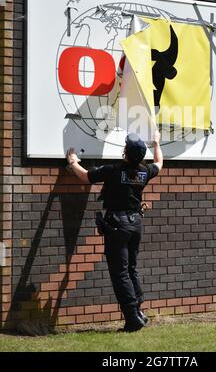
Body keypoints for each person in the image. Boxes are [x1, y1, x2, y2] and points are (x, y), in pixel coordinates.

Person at [66, 131, 163, 332]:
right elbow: (160, 164)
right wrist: (157, 143)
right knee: (131, 269)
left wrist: (73, 161)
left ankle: (132, 318)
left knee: (120, 273)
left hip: (118, 226)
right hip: (135, 224)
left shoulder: (113, 170)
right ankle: (138, 311)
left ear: (126, 153)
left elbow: (85, 177)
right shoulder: (145, 171)